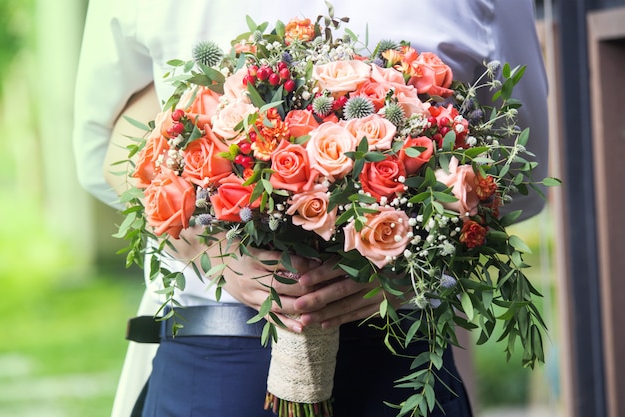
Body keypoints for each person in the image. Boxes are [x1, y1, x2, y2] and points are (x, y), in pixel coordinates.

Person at [72, 1, 549, 416]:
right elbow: (110, 148)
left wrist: (402, 265)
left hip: (398, 366)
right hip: (219, 365)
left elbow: (514, 173)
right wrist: (210, 252)